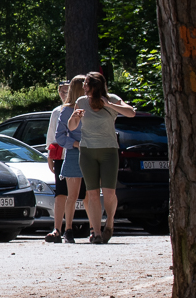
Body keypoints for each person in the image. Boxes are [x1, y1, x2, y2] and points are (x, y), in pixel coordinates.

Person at [67, 71, 136, 243]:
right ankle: (96, 233)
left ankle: (110, 222)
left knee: (109, 193)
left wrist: (110, 105)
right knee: (93, 193)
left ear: (94, 86)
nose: (83, 86)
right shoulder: (81, 101)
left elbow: (131, 113)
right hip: (88, 151)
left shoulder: (112, 99)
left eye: (86, 84)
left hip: (109, 151)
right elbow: (72, 126)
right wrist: (75, 117)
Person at [52, 75, 87, 242]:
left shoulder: (94, 106)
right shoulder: (66, 110)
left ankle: (95, 229)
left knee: (91, 194)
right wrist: (75, 144)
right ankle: (68, 229)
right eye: (86, 85)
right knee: (71, 195)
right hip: (75, 153)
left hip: (92, 152)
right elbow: (59, 137)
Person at [43, 82, 70, 242]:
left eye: (67, 91)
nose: (64, 94)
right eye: (61, 91)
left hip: (78, 154)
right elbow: (51, 137)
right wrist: (50, 156)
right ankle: (57, 228)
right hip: (61, 156)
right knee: (61, 192)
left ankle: (92, 227)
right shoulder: (56, 112)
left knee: (85, 193)